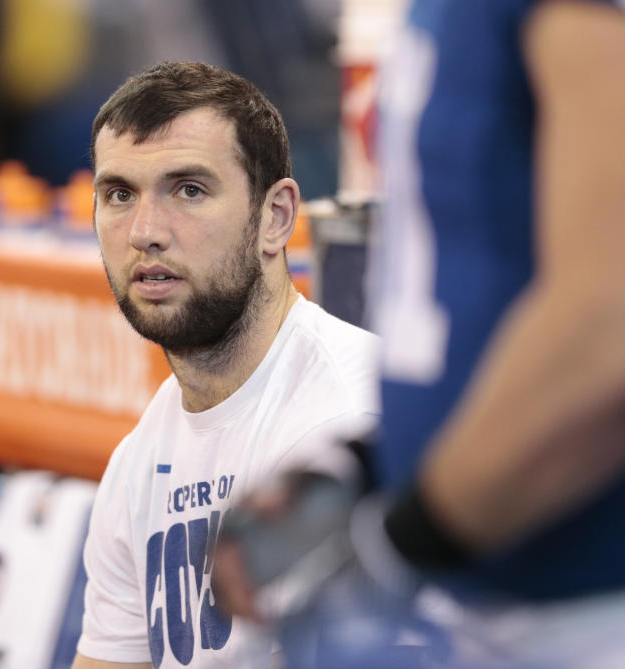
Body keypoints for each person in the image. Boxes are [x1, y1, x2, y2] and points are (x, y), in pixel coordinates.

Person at [214, 0, 625, 666]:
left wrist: (400, 542)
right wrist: (376, 464)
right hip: (500, 600)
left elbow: (607, 325)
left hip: (584, 610)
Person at [71, 61, 381, 668]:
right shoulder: (138, 462)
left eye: (189, 189)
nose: (145, 231)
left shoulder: (347, 421)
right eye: (119, 195)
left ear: (276, 218)